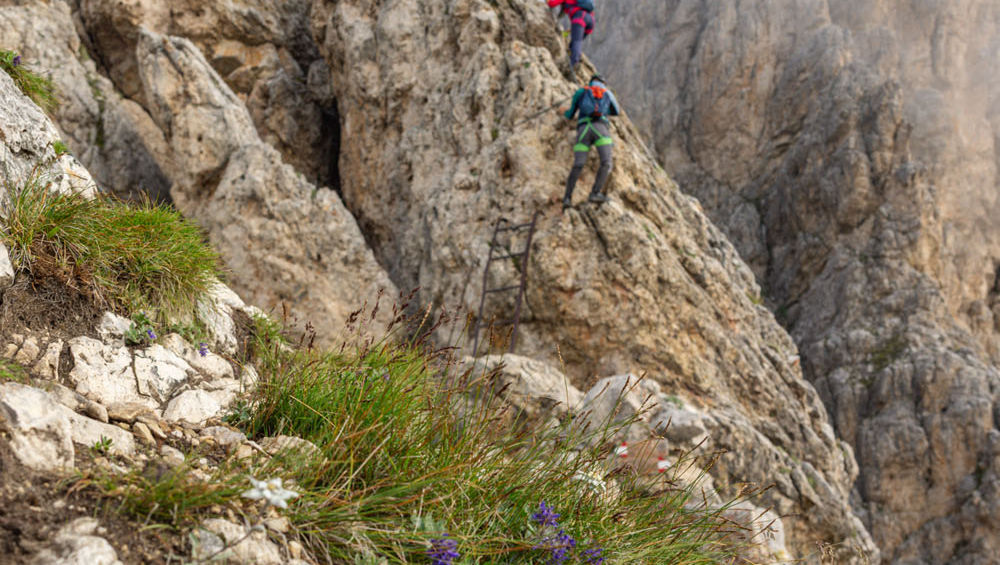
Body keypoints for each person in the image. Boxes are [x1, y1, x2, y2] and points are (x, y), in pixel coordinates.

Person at [561, 75, 620, 208]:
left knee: (578, 164)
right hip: (601, 130)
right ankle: (595, 193)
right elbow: (616, 111)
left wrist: (564, 113)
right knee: (606, 162)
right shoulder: (607, 93)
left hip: (583, 130)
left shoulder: (582, 92)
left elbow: (570, 114)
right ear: (603, 83)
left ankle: (567, 198)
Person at [547, 0, 595, 69]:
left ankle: (573, 64)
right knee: (574, 43)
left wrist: (546, 2)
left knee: (576, 41)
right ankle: (574, 58)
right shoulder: (581, 3)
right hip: (590, 22)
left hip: (580, 17)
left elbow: (552, 3)